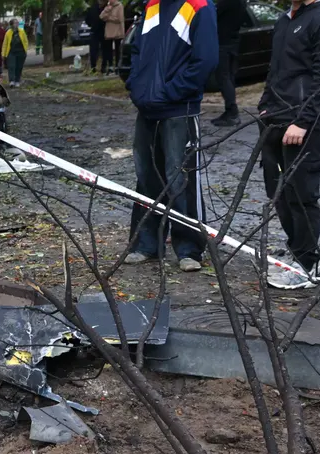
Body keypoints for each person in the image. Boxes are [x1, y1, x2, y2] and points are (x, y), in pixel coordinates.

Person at [258, 0, 320, 285]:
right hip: (275, 117)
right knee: (279, 192)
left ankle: (308, 266)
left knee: (302, 193)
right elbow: (277, 69)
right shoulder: (285, 19)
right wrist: (265, 106)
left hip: (306, 122)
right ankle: (298, 255)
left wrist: (303, 121)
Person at [123, 0, 218, 273]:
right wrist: (137, 87)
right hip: (148, 108)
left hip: (179, 110)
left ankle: (189, 249)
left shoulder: (199, 6)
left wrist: (171, 92)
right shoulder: (152, 6)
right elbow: (137, 50)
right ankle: (145, 244)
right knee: (146, 177)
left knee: (182, 179)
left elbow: (206, 59)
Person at [211, 0, 245, 125]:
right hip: (233, 42)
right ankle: (230, 111)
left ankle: (232, 112)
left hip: (223, 44)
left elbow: (212, 13)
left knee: (223, 78)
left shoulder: (227, 2)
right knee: (229, 78)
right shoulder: (241, 2)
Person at [3, 19, 30, 87]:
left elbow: (26, 41)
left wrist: (25, 50)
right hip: (11, 52)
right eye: (15, 23)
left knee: (19, 67)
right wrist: (3, 54)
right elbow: (5, 44)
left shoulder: (21, 31)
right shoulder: (8, 33)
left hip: (21, 52)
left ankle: (17, 80)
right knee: (11, 66)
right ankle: (11, 80)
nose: (17, 24)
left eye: (17, 23)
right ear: (11, 25)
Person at [100, 0, 125, 72]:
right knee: (108, 50)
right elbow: (101, 16)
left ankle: (117, 65)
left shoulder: (119, 6)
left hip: (117, 31)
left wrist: (109, 18)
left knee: (117, 50)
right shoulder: (108, 6)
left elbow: (119, 19)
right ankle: (110, 65)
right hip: (109, 31)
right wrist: (108, 9)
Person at [86, 0, 107, 73]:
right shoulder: (94, 8)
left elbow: (87, 20)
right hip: (97, 30)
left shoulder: (106, 7)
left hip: (101, 30)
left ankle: (100, 67)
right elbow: (87, 20)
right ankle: (96, 67)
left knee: (102, 50)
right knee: (96, 50)